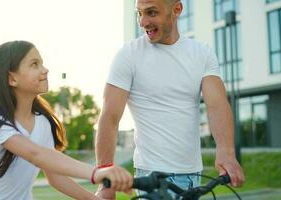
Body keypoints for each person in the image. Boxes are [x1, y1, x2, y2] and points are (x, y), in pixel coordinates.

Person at [0, 41, 133, 200]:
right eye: (34, 64)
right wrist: (95, 173)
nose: (45, 70)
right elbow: (35, 154)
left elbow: (55, 176)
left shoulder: (43, 123)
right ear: (11, 79)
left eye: (42, 63)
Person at [95, 0, 245, 199]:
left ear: (177, 9)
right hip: (152, 177)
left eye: (151, 13)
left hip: (194, 175)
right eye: (139, 13)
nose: (143, 22)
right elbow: (110, 117)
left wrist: (226, 151)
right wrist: (106, 179)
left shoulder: (202, 53)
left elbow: (216, 106)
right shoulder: (128, 55)